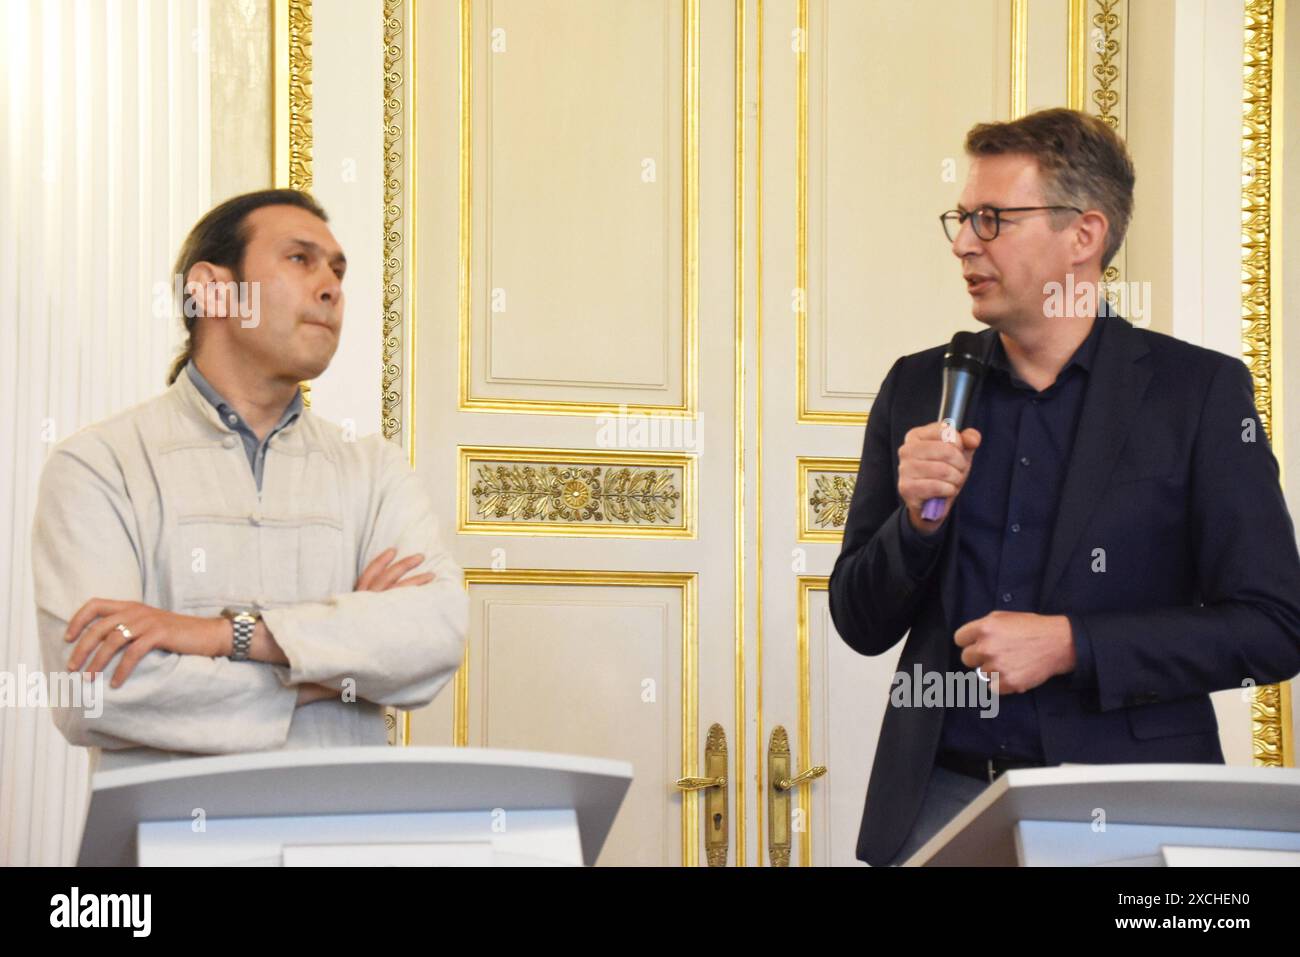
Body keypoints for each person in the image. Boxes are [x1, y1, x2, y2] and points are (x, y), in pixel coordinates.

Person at [828, 108, 1300, 867]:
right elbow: (859, 618)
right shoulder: (918, 386)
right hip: (942, 803)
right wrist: (912, 527)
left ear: (1084, 235)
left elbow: (1276, 625)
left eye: (991, 219)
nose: (962, 242)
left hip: (1134, 810)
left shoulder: (1198, 393)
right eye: (961, 217)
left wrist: (1075, 645)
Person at [32, 188, 467, 774]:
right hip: (170, 845)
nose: (331, 287)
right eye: (300, 259)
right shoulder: (98, 464)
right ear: (212, 289)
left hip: (341, 837)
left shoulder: (375, 469)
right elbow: (93, 692)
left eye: (338, 270)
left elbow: (432, 636)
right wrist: (332, 668)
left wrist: (225, 636)